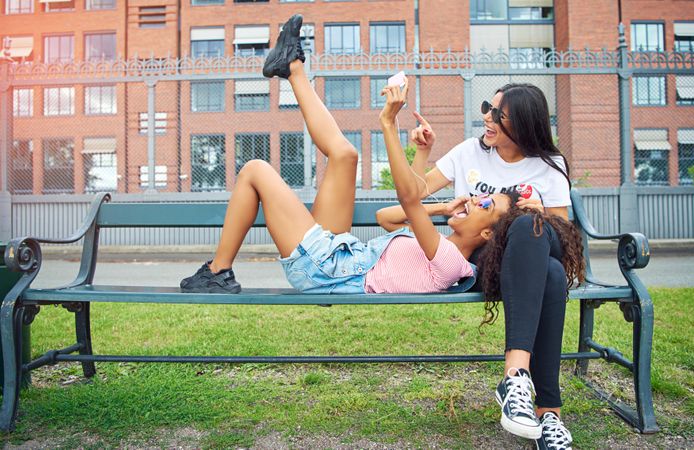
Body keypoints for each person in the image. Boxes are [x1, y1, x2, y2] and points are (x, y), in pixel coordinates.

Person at [180, 14, 514, 299]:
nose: (473, 200)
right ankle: (293, 67)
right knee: (344, 154)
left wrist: (389, 121)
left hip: (325, 271)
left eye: (486, 204)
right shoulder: (439, 243)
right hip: (339, 253)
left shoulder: (453, 263)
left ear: (487, 234)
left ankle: (217, 271)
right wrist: (440, 203)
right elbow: (388, 216)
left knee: (255, 170)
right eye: (479, 197)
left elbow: (410, 200)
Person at [398, 84, 578, 448]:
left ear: (524, 124)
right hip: (489, 260)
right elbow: (413, 195)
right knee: (552, 276)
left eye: (498, 114)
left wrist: (534, 214)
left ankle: (515, 377)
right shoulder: (469, 153)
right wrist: (422, 152)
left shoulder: (549, 164)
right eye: (487, 108)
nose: (486, 118)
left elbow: (564, 230)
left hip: (541, 247)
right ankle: (549, 413)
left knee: (531, 229)